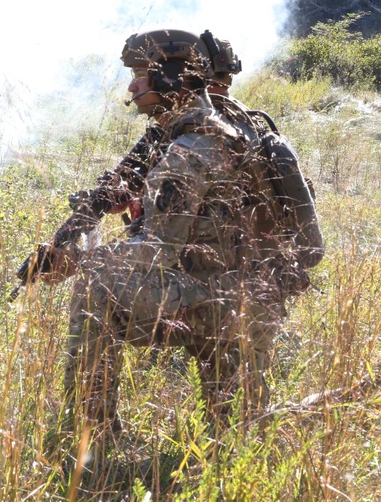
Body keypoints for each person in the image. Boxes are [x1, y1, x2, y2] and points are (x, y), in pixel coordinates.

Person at [24, 29, 320, 448]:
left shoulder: (186, 150)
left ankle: (92, 435)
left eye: (142, 74)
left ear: (172, 78)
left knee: (96, 288)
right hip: (256, 301)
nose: (132, 85)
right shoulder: (231, 130)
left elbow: (156, 252)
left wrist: (75, 263)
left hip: (217, 303)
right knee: (239, 439)